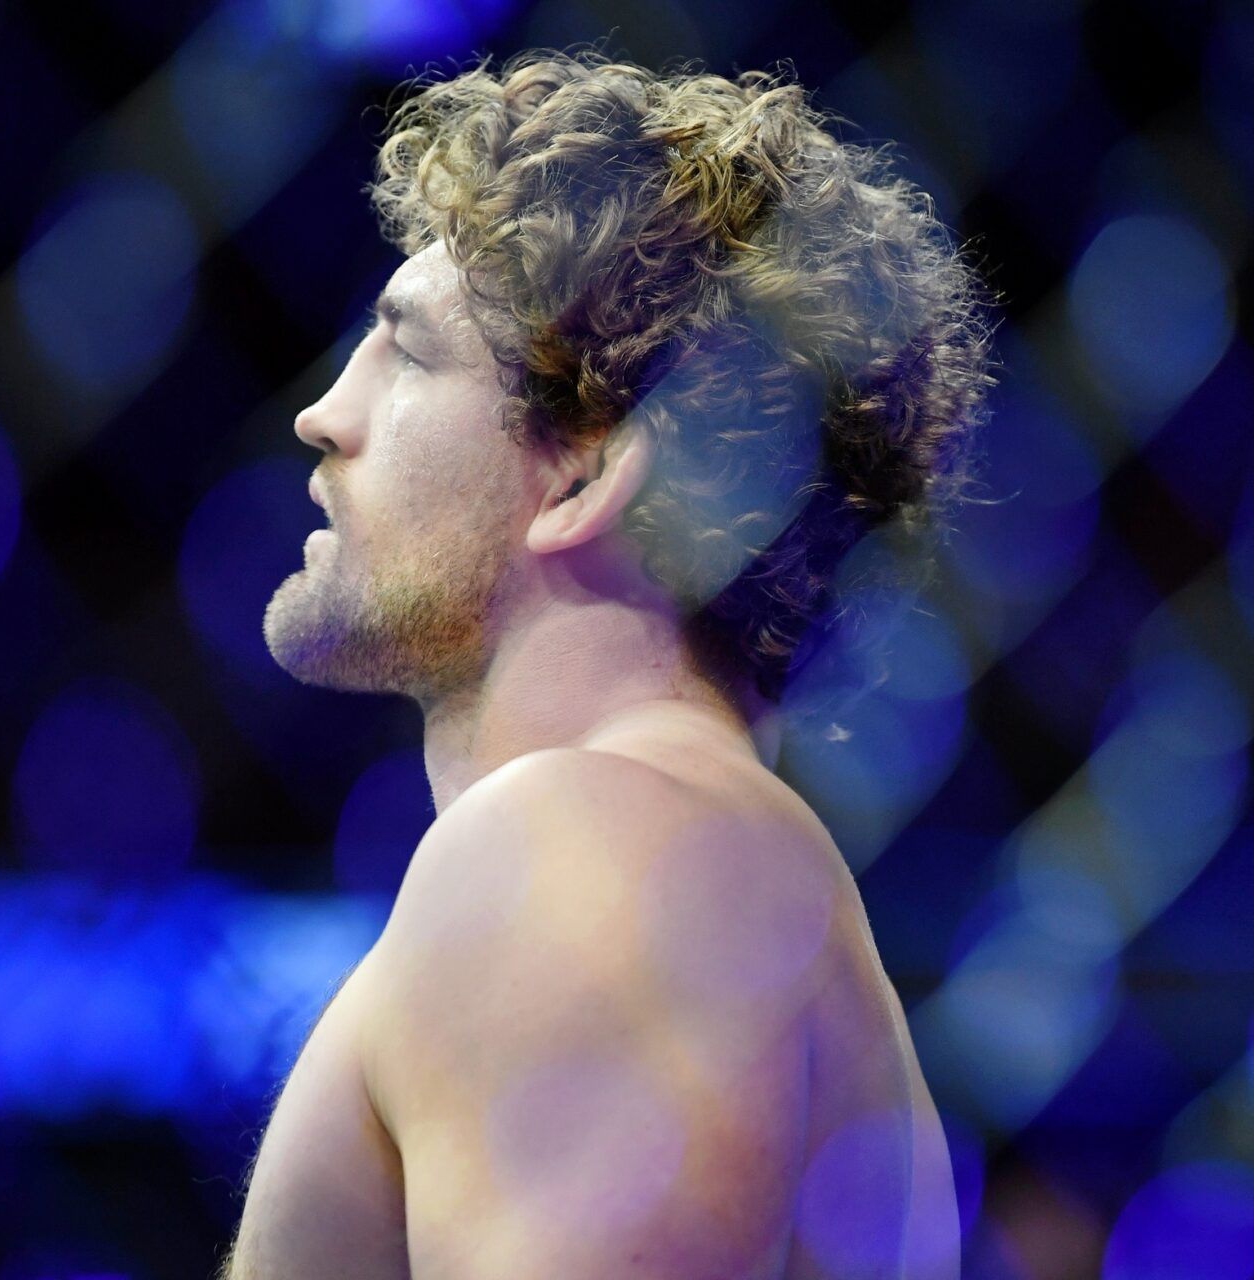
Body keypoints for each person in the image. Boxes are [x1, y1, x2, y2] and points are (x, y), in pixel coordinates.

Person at [234, 45, 997, 1279]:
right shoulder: (721, 865)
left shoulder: (591, 841)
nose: (325, 413)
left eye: (410, 353)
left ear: (586, 472)